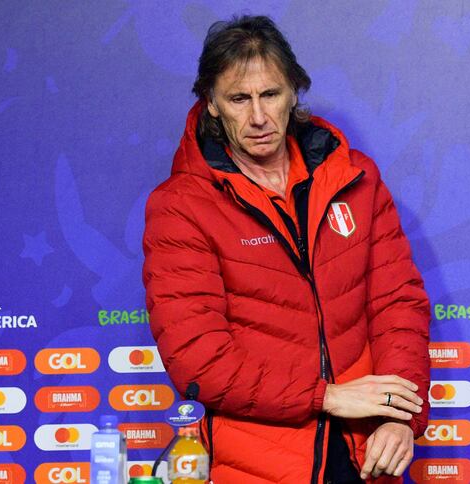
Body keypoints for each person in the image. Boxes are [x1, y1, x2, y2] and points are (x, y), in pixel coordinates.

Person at [143, 15, 430, 484]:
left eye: (270, 95)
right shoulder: (180, 206)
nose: (258, 117)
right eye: (239, 99)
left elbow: (397, 306)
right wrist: (327, 397)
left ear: (294, 91)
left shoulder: (355, 178)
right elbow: (199, 359)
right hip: (257, 463)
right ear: (211, 104)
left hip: (366, 455)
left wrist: (398, 417)